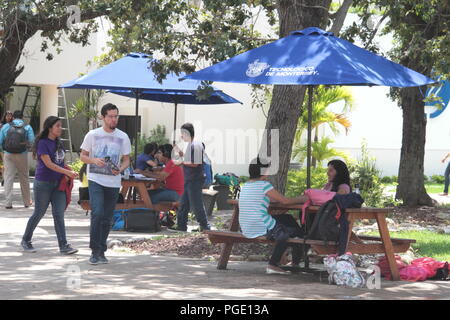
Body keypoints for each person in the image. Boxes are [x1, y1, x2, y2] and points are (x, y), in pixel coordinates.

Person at [80, 103, 131, 265]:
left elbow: (127, 160)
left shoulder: (123, 136)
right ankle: (95, 251)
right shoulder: (92, 135)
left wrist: (120, 169)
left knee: (107, 218)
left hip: (114, 182)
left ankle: (101, 250)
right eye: (110, 116)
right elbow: (83, 156)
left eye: (116, 116)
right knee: (97, 213)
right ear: (103, 117)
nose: (114, 119)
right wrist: (94, 160)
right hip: (96, 179)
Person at [239, 157, 308, 274]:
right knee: (287, 233)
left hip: (246, 226)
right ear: (264, 171)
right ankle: (273, 264)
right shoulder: (264, 185)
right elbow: (285, 201)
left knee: (288, 219)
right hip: (261, 224)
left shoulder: (246, 185)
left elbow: (261, 199)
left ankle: (296, 258)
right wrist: (302, 198)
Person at [21, 116, 79, 254]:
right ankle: (26, 240)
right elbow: (48, 164)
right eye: (58, 125)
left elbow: (59, 162)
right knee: (39, 213)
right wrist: (66, 172)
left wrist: (68, 171)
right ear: (50, 128)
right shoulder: (43, 143)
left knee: (58, 214)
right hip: (43, 184)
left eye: (61, 125)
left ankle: (63, 245)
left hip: (58, 184)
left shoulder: (59, 142)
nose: (61, 128)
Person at [173, 123, 210, 232]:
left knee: (196, 203)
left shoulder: (195, 145)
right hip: (189, 179)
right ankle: (181, 225)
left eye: (182, 134)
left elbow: (195, 163)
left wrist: (181, 163)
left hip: (195, 179)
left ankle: (204, 226)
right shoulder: (191, 145)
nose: (181, 136)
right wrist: (180, 153)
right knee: (184, 203)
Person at [0, 110, 35, 209]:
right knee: (24, 178)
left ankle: (8, 203)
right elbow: (32, 141)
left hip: (8, 154)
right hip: (22, 154)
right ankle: (27, 202)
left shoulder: (6, 126)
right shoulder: (27, 127)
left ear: (13, 117)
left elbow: (0, 140)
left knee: (8, 177)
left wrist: (4, 150)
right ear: (22, 117)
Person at [0, 110, 13, 186]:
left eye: (10, 115)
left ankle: (4, 178)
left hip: (10, 147)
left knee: (7, 164)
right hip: (2, 147)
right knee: (4, 163)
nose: (9, 117)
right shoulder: (1, 125)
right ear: (4, 117)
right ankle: (4, 178)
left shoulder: (13, 125)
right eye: (7, 115)